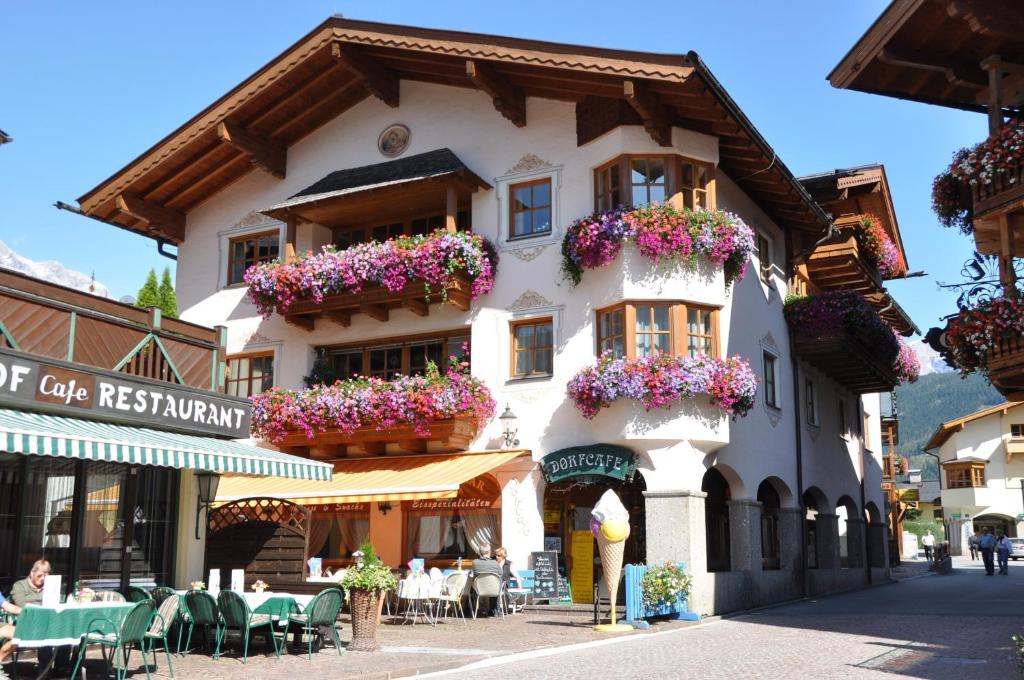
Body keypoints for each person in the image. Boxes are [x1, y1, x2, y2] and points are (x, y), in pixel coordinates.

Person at [471, 548, 503, 617]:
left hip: (480, 590)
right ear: (489, 552)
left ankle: (474, 610)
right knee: (496, 583)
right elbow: (501, 574)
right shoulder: (495, 563)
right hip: (494, 590)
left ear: (480, 552)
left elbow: (474, 574)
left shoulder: (475, 562)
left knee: (472, 586)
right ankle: (495, 610)